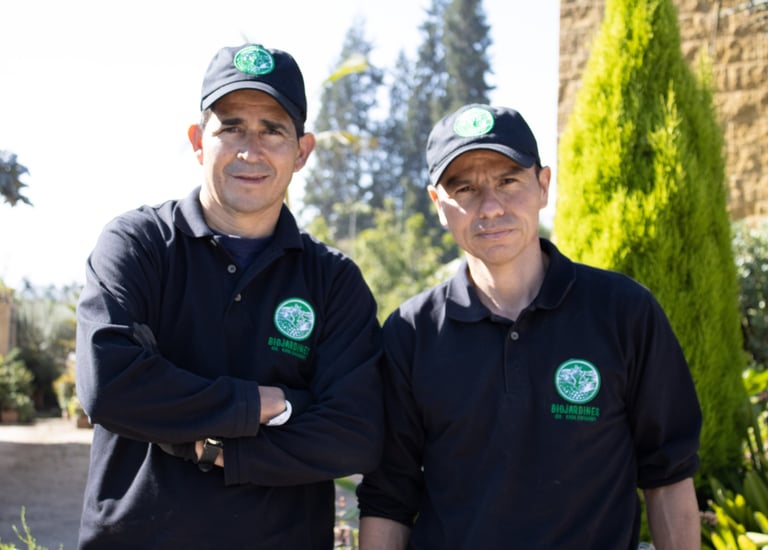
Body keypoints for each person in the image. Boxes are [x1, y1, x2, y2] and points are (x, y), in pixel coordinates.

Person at [75, 43, 384, 548]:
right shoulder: (138, 245)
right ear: (199, 141)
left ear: (302, 151)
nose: (250, 150)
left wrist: (218, 450)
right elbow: (109, 386)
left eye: (272, 130)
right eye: (232, 127)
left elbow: (355, 433)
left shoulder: (333, 281)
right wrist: (267, 403)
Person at [356, 104, 702, 549]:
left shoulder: (624, 312)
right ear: (439, 205)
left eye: (508, 182)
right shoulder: (411, 332)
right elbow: (388, 499)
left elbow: (668, 476)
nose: (490, 207)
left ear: (543, 186)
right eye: (465, 189)